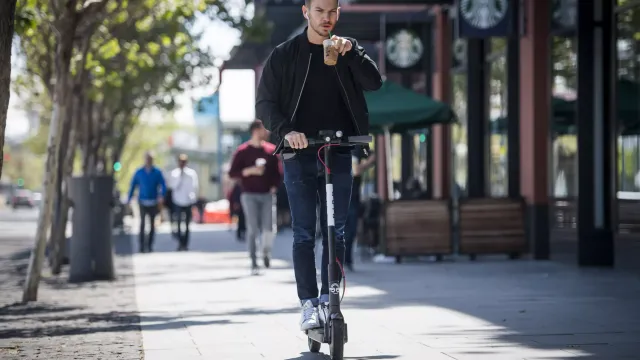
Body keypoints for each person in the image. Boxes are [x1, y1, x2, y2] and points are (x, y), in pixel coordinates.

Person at [255, 0, 382, 331]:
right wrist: (287, 131)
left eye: (332, 12)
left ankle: (331, 299)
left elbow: (374, 82)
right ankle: (309, 304)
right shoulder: (285, 55)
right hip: (299, 152)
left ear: (338, 14)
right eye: (319, 11)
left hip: (338, 150)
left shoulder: (347, 51)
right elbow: (265, 104)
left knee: (337, 231)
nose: (326, 18)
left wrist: (353, 52)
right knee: (304, 233)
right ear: (306, 12)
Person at [228, 120, 283, 274]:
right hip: (249, 195)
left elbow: (278, 174)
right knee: (252, 228)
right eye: (264, 129)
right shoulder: (242, 151)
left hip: (267, 195)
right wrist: (248, 171)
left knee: (269, 228)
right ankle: (253, 261)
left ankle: (266, 252)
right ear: (255, 130)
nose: (267, 132)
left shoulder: (271, 151)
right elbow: (232, 173)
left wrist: (274, 186)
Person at [344, 147, 376, 271]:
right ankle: (337, 260)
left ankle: (347, 260)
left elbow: (373, 156)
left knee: (351, 229)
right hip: (335, 195)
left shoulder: (356, 145)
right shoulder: (333, 142)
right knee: (336, 229)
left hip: (353, 196)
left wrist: (362, 167)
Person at [128, 152, 167, 253]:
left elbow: (163, 185)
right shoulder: (139, 172)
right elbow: (133, 186)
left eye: (150, 159)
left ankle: (149, 245)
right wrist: (129, 198)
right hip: (142, 201)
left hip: (153, 201)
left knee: (152, 224)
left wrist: (161, 195)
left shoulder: (157, 172)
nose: (149, 161)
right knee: (142, 224)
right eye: (147, 159)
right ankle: (141, 246)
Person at [168, 154, 199, 251]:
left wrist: (193, 199)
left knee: (187, 224)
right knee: (177, 224)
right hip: (177, 200)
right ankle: (179, 242)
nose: (182, 164)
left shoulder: (191, 174)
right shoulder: (174, 174)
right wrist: (180, 177)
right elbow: (172, 187)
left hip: (188, 201)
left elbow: (194, 187)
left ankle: (185, 244)